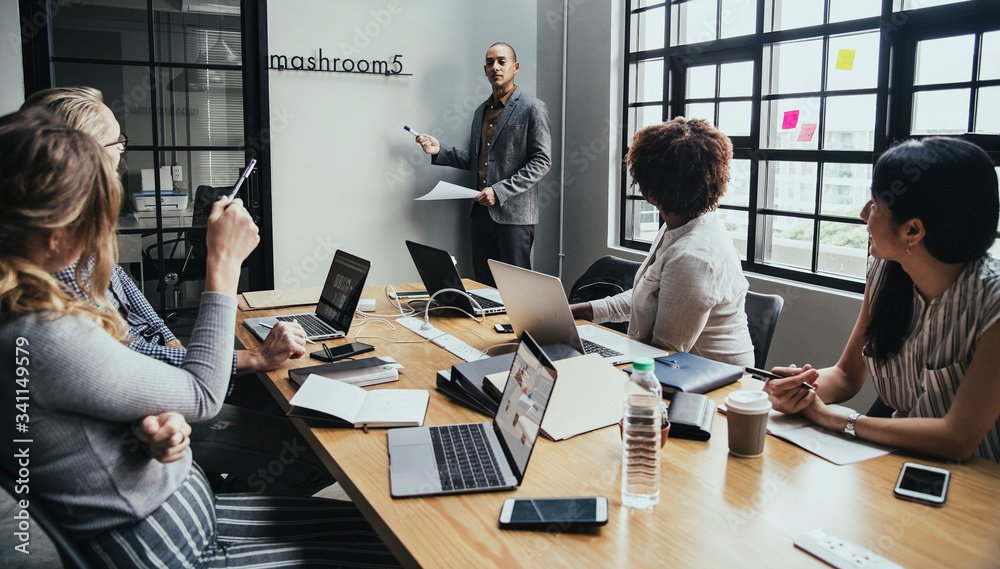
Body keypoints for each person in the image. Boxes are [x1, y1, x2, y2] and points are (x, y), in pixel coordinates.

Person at [0, 108, 399, 567]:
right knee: (395, 553)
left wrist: (140, 427)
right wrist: (222, 263)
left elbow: (78, 417)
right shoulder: (41, 332)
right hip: (170, 551)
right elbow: (203, 395)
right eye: (95, 217)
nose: (99, 239)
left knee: (383, 534)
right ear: (54, 234)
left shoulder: (30, 314)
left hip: (185, 519)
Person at [21, 87, 334, 496]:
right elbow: (183, 386)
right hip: (151, 410)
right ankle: (213, 502)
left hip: (163, 389)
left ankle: (218, 487)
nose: (122, 155)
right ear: (84, 157)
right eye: (117, 143)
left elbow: (141, 311)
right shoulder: (57, 276)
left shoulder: (84, 243)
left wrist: (177, 348)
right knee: (320, 452)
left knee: (286, 395)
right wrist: (222, 263)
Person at [765, 137, 1000, 463]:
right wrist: (802, 391)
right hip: (896, 463)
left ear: (913, 231)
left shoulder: (993, 304)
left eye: (875, 204)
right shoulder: (885, 271)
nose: (863, 213)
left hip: (978, 486)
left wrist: (833, 418)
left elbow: (956, 438)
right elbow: (847, 375)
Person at [570, 118, 754, 367]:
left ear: (649, 189)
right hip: (677, 368)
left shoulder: (692, 256)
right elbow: (648, 297)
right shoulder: (682, 223)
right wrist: (583, 310)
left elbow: (665, 354)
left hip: (712, 387)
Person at [414, 42, 552, 286]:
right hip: (480, 215)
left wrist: (498, 192)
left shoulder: (533, 108)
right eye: (490, 62)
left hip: (514, 218)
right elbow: (480, 159)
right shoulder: (481, 111)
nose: (495, 67)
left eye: (502, 61)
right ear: (485, 69)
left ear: (515, 67)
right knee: (484, 287)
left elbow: (542, 161)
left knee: (517, 289)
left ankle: (518, 327)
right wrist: (440, 151)